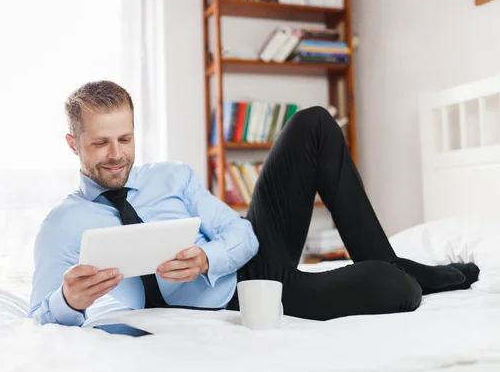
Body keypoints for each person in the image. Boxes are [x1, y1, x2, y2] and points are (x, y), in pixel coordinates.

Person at [28, 80, 479, 326]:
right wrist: (69, 299)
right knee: (398, 290)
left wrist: (207, 258)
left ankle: (388, 257)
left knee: (314, 123)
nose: (117, 154)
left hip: (252, 263)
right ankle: (398, 268)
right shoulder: (62, 225)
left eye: (125, 138)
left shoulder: (171, 177)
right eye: (100, 143)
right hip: (242, 301)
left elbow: (240, 233)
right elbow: (40, 315)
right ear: (73, 143)